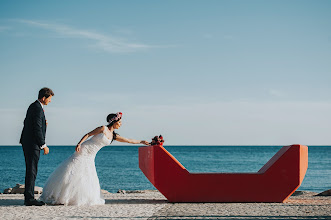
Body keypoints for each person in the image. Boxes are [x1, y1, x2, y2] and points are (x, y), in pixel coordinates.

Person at [40, 112, 150, 206]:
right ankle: (59, 196)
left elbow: (128, 140)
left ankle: (72, 197)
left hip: (91, 155)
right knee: (72, 170)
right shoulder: (103, 128)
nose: (120, 124)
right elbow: (88, 134)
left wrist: (141, 141)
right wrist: (79, 143)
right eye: (119, 122)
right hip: (84, 150)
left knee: (85, 175)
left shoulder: (113, 136)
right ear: (114, 121)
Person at [20, 87, 54, 206]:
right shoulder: (37, 108)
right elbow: (36, 129)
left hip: (29, 142)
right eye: (49, 99)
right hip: (32, 143)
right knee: (32, 170)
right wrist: (43, 145)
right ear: (44, 97)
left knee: (31, 169)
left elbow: (29, 123)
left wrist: (44, 124)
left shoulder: (34, 106)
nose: (50, 101)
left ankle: (29, 197)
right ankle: (29, 199)